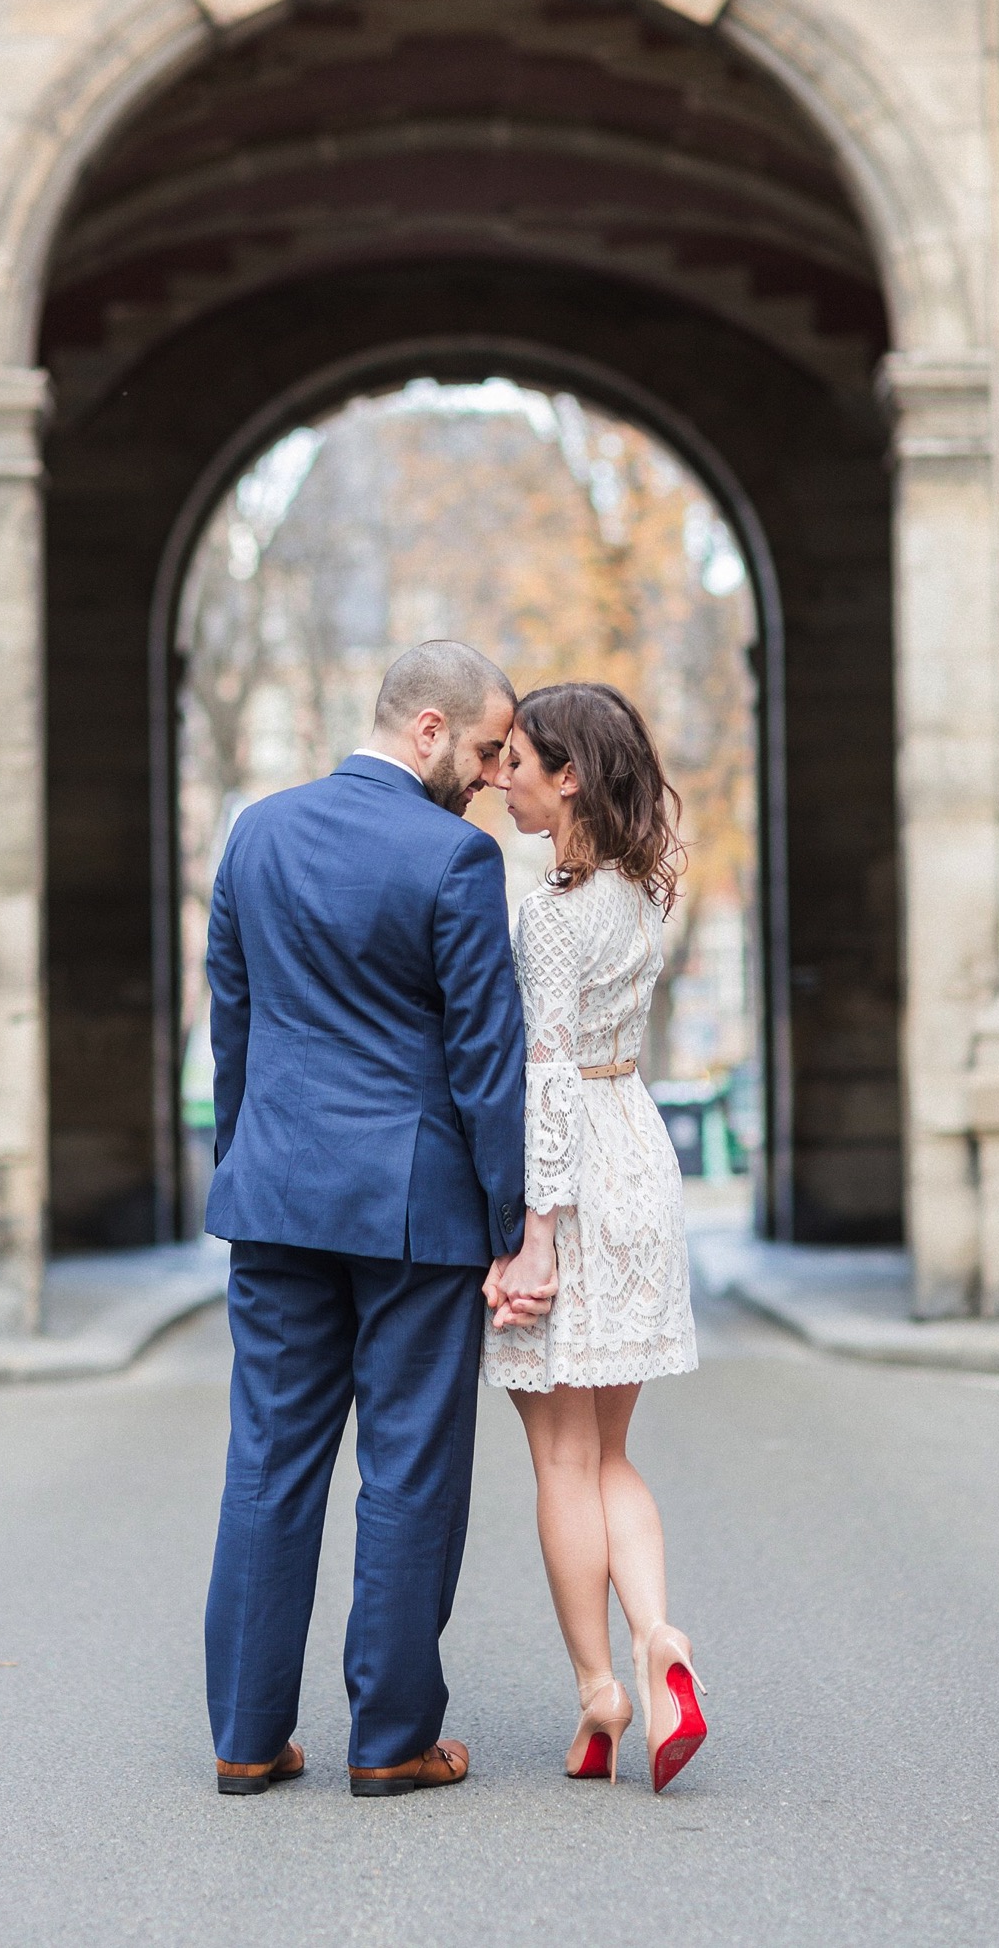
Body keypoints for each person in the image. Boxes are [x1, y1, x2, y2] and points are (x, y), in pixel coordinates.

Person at [202, 639, 549, 1798]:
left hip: (277, 1197)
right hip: (412, 1215)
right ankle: (391, 1739)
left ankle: (248, 1737)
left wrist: (240, 1161)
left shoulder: (255, 833)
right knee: (407, 1469)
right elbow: (483, 1061)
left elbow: (233, 1021)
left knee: (267, 1461)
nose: (495, 775)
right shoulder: (453, 858)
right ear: (428, 731)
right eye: (489, 748)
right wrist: (510, 1220)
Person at [483, 681, 706, 1795]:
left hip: (573, 1175)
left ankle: (598, 1692)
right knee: (612, 1451)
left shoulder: (556, 916)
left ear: (567, 775)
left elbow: (547, 1080)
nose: (500, 777)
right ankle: (658, 1639)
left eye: (517, 760)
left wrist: (535, 1238)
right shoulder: (640, 893)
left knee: (559, 1457)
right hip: (641, 1158)